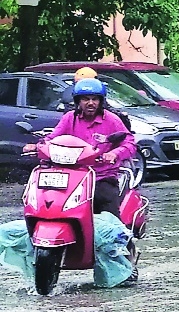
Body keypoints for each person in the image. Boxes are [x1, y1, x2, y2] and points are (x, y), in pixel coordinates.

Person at [49, 78, 138, 219]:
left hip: (102, 177)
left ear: (100, 101)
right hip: (73, 177)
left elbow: (130, 143)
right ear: (78, 101)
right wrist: (37, 146)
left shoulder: (112, 120)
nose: (90, 103)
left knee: (110, 222)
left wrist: (114, 154)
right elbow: (52, 138)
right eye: (85, 99)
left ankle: (121, 240)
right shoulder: (69, 118)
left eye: (94, 99)